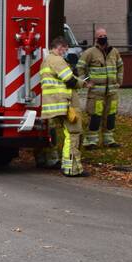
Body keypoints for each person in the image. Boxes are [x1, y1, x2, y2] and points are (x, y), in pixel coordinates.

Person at [39, 36, 87, 177]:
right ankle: (72, 169)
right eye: (65, 50)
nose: (65, 53)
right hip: (63, 104)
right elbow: (69, 80)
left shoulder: (46, 61)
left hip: (53, 105)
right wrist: (83, 83)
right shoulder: (57, 60)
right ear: (60, 48)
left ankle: (58, 162)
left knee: (62, 134)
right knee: (73, 134)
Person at [78, 27, 124, 149]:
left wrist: (119, 81)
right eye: (100, 36)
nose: (103, 38)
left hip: (112, 92)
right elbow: (80, 67)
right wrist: (86, 82)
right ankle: (91, 141)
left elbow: (120, 66)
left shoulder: (114, 52)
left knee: (111, 116)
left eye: (104, 36)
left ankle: (109, 140)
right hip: (96, 93)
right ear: (96, 38)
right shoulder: (90, 52)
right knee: (95, 117)